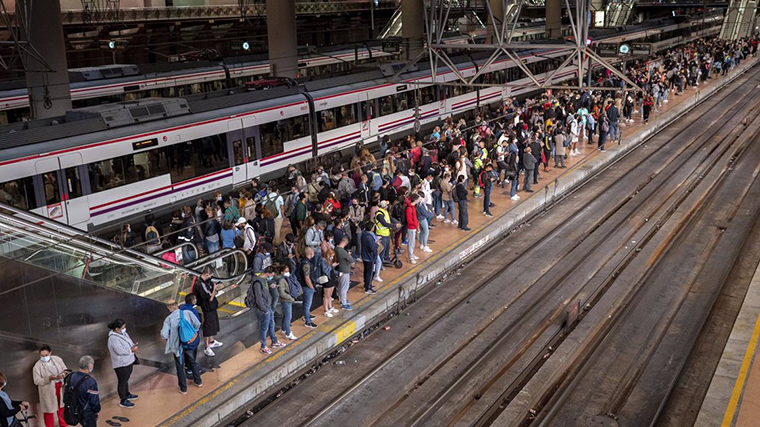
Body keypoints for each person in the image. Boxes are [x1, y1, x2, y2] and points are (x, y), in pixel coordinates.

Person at [161, 300, 203, 394]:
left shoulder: (168, 319)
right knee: (192, 361)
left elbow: (164, 335)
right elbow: (197, 324)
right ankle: (198, 381)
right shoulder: (188, 313)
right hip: (189, 343)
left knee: (180, 366)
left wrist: (171, 338)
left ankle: (183, 388)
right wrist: (192, 334)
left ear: (169, 308)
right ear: (177, 305)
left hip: (177, 347)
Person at [251, 267, 286, 354]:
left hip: (268, 307)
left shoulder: (264, 280)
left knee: (271, 324)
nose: (271, 277)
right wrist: (265, 310)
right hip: (263, 309)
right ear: (268, 274)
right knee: (264, 328)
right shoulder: (257, 283)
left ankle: (274, 341)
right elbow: (258, 299)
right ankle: (263, 346)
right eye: (271, 275)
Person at [32, 345, 68, 427]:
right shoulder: (37, 366)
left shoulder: (57, 359)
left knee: (61, 407)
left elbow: (65, 369)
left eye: (46, 355)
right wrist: (48, 378)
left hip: (59, 386)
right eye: (42, 356)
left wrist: (63, 375)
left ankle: (63, 424)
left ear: (50, 353)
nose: (44, 357)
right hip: (47, 391)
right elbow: (36, 380)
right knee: (49, 411)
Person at [106, 319, 138, 408]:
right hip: (121, 364)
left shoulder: (123, 333)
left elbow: (129, 341)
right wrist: (130, 350)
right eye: (123, 328)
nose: (124, 329)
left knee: (126, 379)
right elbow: (119, 350)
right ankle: (123, 400)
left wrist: (133, 346)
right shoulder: (113, 338)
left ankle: (127, 394)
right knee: (122, 381)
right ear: (117, 329)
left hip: (128, 360)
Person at [195, 266, 223, 357]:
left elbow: (212, 293)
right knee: (208, 326)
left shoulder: (208, 281)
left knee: (213, 324)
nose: (211, 277)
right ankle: (207, 347)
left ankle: (212, 341)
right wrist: (215, 289)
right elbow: (210, 298)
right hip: (206, 307)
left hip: (212, 307)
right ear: (206, 274)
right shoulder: (200, 284)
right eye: (210, 275)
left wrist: (215, 289)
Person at [66, 356, 100, 427]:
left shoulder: (71, 376)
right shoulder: (91, 382)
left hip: (74, 409)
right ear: (89, 365)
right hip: (87, 412)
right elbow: (94, 401)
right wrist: (97, 410)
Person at [276, 263, 298, 340]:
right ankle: (288, 333)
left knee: (286, 316)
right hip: (286, 300)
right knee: (288, 317)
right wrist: (291, 298)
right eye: (286, 271)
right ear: (281, 272)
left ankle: (283, 329)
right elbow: (282, 293)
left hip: (287, 300)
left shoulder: (285, 278)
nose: (287, 272)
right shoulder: (281, 280)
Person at [298, 247, 318, 329]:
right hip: (307, 286)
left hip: (307, 285)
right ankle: (308, 321)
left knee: (307, 303)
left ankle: (307, 315)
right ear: (310, 253)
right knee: (307, 304)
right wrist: (311, 287)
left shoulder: (305, 261)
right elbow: (307, 277)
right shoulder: (306, 263)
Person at [334, 236, 354, 310]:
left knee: (340, 286)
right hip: (345, 271)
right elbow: (351, 260)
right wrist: (348, 254)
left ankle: (341, 300)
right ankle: (344, 304)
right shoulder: (342, 251)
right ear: (345, 242)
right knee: (344, 288)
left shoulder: (336, 249)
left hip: (339, 270)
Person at [361, 220, 379, 294]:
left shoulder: (364, 234)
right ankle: (368, 287)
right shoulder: (369, 237)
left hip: (365, 256)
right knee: (370, 272)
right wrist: (377, 244)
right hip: (370, 257)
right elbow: (372, 248)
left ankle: (366, 284)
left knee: (366, 271)